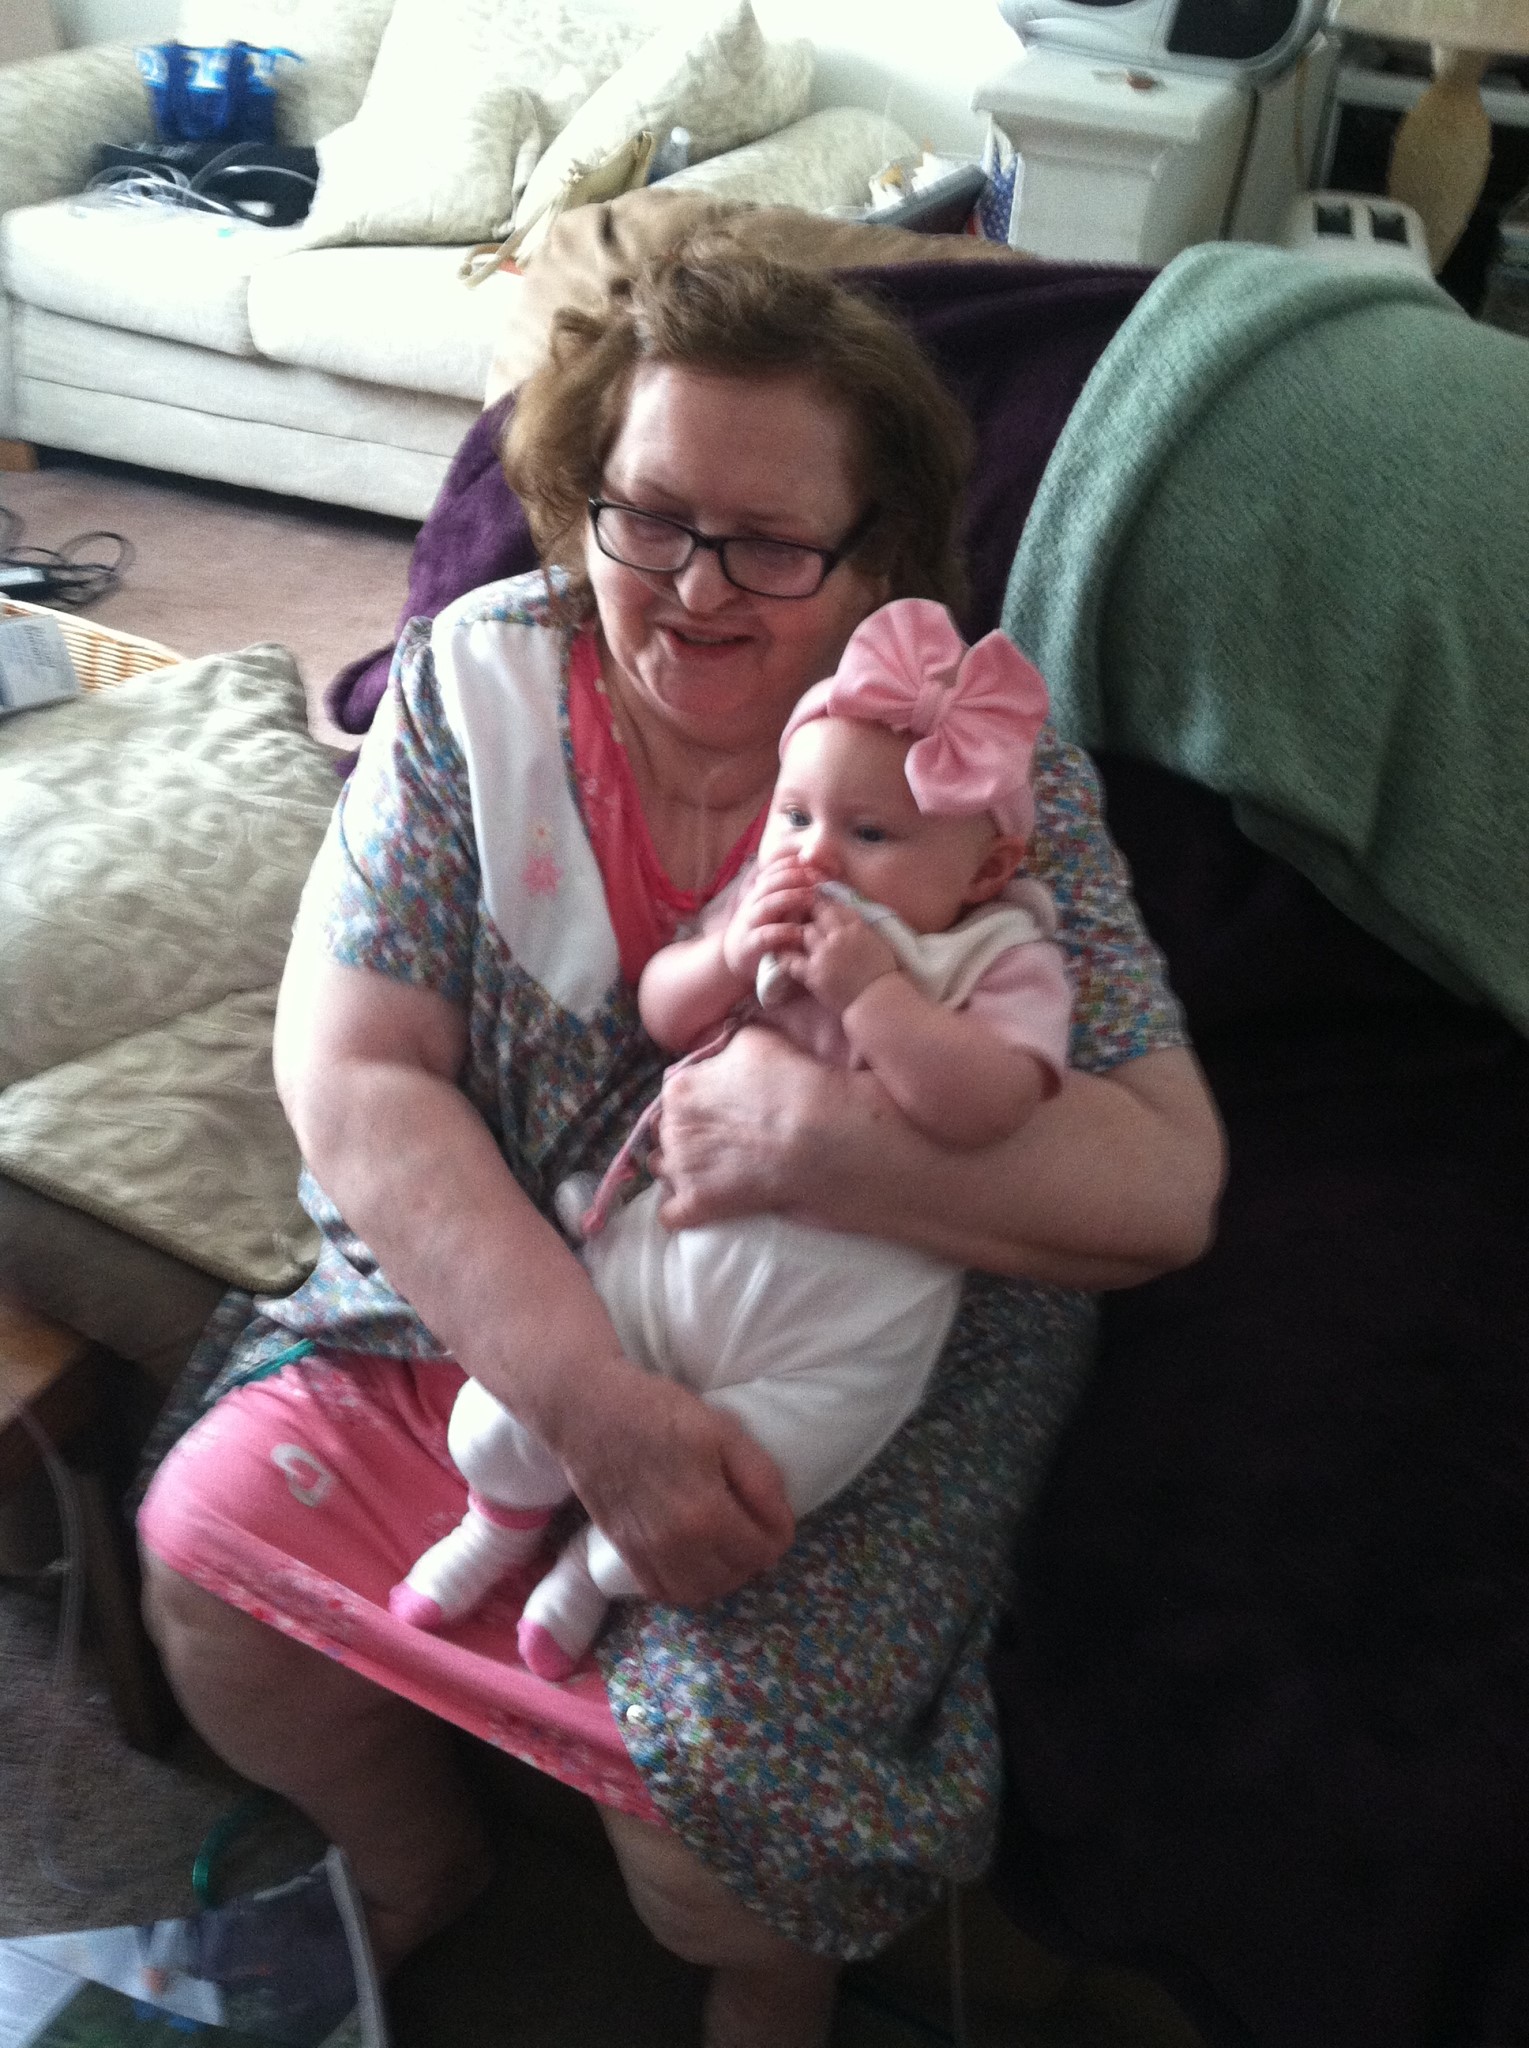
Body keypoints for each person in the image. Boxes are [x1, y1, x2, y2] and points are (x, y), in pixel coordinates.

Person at [136, 231, 1224, 2048]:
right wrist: (591, 1405)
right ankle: (412, 1870)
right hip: (512, 1276)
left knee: (719, 1812)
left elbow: (1164, 1183)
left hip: (843, 1347)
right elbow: (353, 1070)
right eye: (650, 518)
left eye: (772, 543)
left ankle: (766, 1993)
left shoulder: (961, 778)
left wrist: (828, 1149)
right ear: (584, 498)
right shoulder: (475, 684)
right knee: (207, 1568)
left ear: (878, 555)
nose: (697, 589)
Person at [388, 596, 1072, 1680]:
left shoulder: (996, 958)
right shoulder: (764, 899)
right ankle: (498, 1523)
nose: (815, 856)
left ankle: (591, 1574)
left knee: (751, 1490)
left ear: (984, 873)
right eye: (794, 817)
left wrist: (875, 996)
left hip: (837, 1333)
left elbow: (987, 1108)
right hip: (665, 1262)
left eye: (870, 834)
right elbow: (665, 1011)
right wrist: (721, 956)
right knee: (511, 1412)